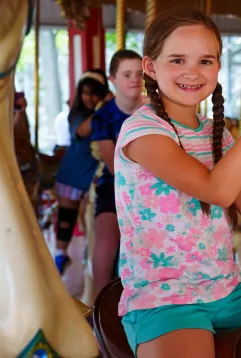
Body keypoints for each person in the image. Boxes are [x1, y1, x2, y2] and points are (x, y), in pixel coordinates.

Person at [114, 9, 241, 356]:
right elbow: (218, 190)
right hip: (165, 298)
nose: (192, 71)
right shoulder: (143, 132)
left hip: (227, 291)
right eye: (177, 60)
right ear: (150, 68)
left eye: (205, 60)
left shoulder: (215, 135)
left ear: (218, 67)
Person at [90, 50, 143, 296]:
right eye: (127, 74)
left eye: (140, 74)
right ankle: (99, 304)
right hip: (115, 184)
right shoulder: (103, 116)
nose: (135, 79)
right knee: (108, 240)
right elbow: (114, 165)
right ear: (113, 79)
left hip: (153, 185)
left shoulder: (154, 110)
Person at [52, 71, 109, 274]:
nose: (89, 98)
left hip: (97, 172)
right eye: (85, 93)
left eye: (94, 94)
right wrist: (105, 108)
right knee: (67, 215)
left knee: (93, 221)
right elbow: (83, 130)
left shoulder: (109, 112)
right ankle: (60, 255)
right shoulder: (77, 114)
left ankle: (90, 255)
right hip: (74, 171)